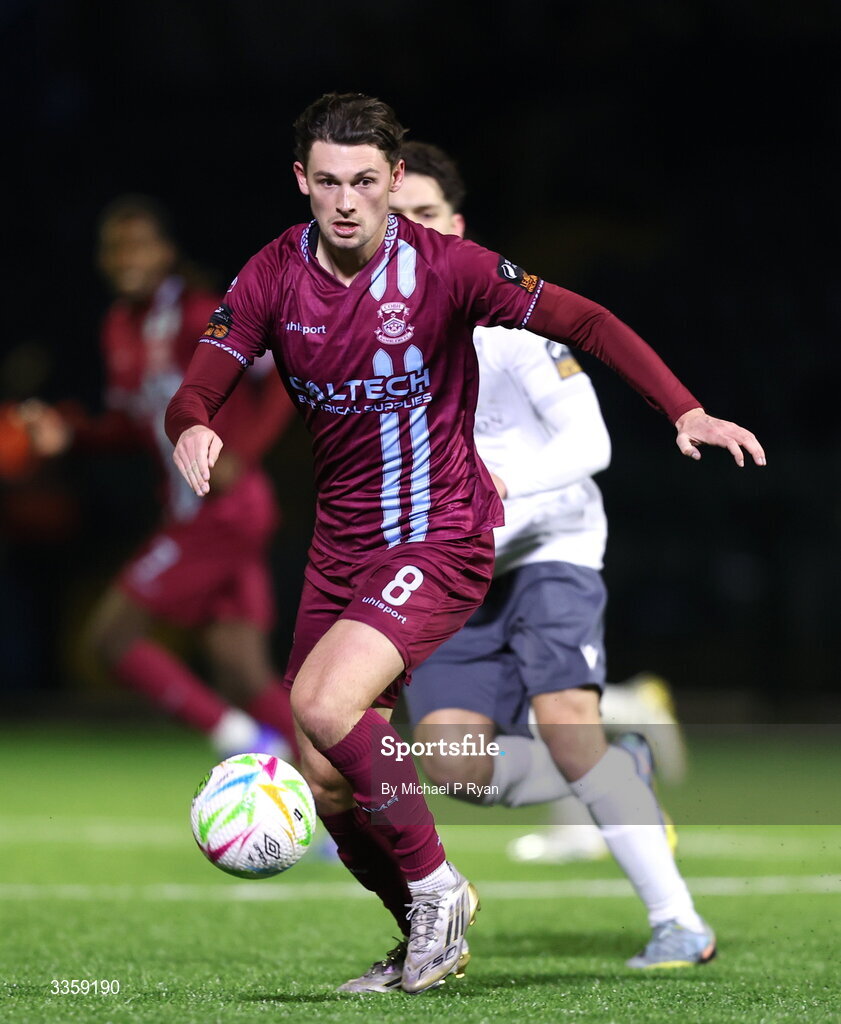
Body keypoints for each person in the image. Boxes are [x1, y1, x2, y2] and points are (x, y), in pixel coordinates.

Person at [164, 93, 764, 995]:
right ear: (301, 181)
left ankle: (442, 888)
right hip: (341, 550)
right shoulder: (270, 277)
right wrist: (192, 423)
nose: (346, 202)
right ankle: (420, 937)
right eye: (326, 182)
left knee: (329, 706)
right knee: (328, 778)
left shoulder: (448, 269)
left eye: (365, 182)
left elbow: (587, 321)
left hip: (439, 535)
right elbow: (201, 379)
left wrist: (684, 408)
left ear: (393, 180)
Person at [390, 140, 707, 971]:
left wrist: (494, 486)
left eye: (424, 218)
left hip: (551, 544)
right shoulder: (372, 346)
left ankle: (678, 923)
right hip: (454, 568)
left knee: (566, 723)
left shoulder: (509, 323)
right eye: (394, 223)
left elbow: (591, 442)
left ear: (456, 230)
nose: (410, 237)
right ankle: (620, 761)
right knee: (454, 765)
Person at [22, 195, 298, 763]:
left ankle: (252, 748)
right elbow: (132, 426)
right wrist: (71, 433)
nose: (127, 257)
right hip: (195, 511)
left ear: (167, 252)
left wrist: (241, 452)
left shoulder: (202, 315)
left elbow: (285, 373)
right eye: (116, 246)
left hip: (224, 508)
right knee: (242, 670)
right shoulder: (121, 327)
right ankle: (352, 793)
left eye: (140, 243)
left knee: (111, 638)